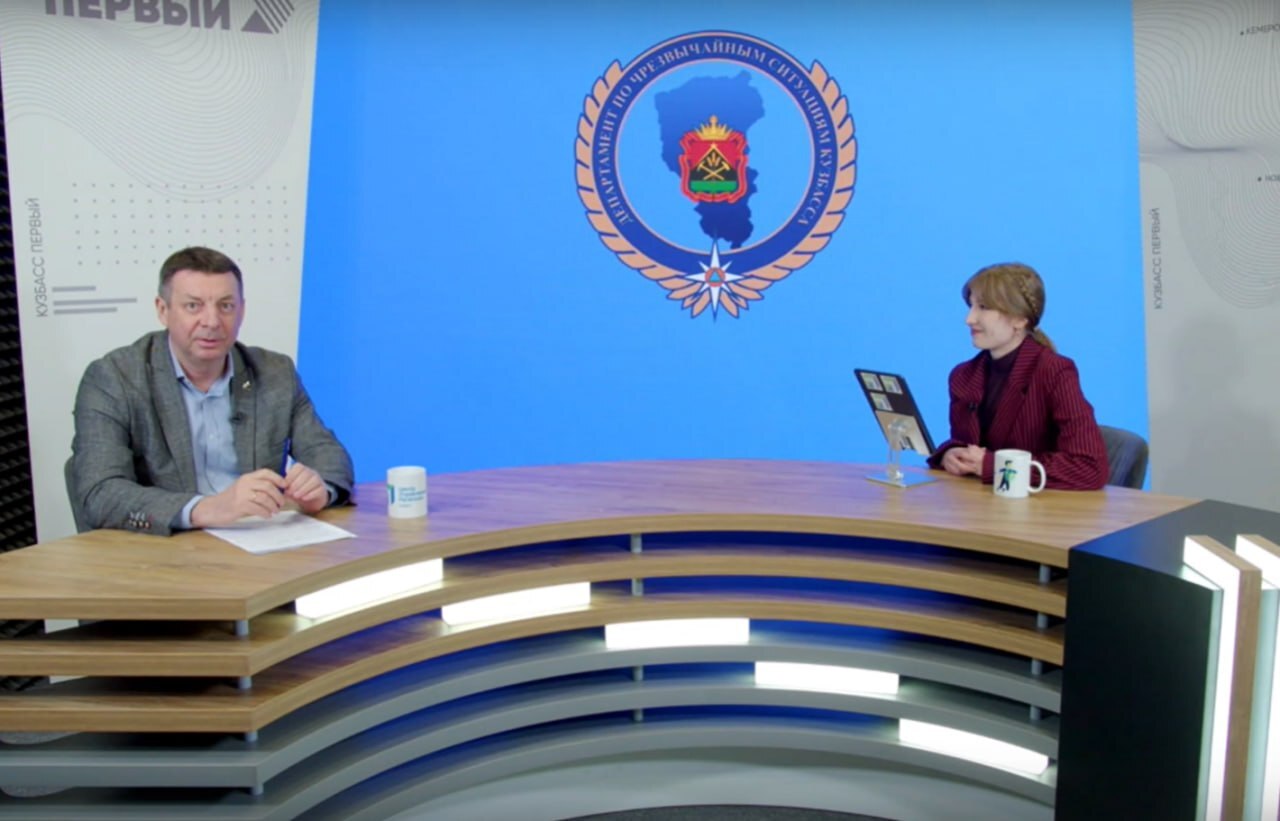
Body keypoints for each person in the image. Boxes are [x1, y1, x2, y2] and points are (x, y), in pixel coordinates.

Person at [69, 247, 354, 534]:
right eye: (193, 306)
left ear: (242, 310)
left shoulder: (275, 373)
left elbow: (328, 454)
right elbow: (100, 492)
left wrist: (321, 488)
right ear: (163, 310)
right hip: (163, 548)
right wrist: (207, 509)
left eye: (226, 306)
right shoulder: (114, 379)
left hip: (259, 540)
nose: (212, 321)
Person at [926, 262, 1108, 490]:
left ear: (1020, 319)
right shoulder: (964, 376)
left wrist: (994, 465)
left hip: (1039, 507)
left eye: (983, 307)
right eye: (971, 306)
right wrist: (951, 454)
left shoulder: (1054, 371)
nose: (969, 319)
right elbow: (969, 447)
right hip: (979, 505)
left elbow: (1089, 467)